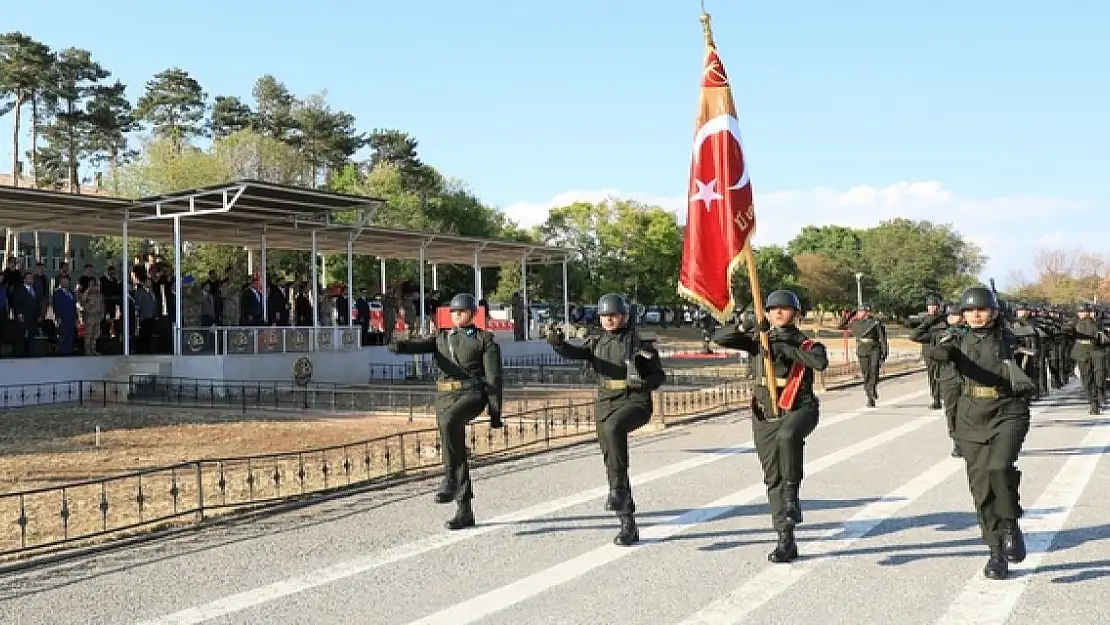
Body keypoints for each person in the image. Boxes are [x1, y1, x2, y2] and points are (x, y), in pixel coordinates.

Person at [711, 289, 828, 563]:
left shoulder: (807, 343)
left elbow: (819, 362)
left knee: (789, 436)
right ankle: (785, 538)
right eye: (772, 309)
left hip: (799, 409)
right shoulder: (759, 340)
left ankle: (792, 498)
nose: (778, 312)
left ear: (796, 314)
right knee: (771, 476)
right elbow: (720, 338)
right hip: (765, 415)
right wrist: (747, 326)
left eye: (784, 309)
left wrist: (785, 347)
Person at [925, 286, 1033, 580]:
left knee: (999, 467)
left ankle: (1010, 522)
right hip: (971, 415)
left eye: (982, 309)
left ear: (994, 312)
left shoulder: (1013, 338)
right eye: (969, 310)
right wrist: (941, 350)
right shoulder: (956, 339)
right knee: (982, 489)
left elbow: (1030, 364)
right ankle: (996, 553)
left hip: (1008, 411)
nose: (975, 315)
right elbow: (938, 351)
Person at [546, 292, 666, 546]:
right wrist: (556, 342)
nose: (609, 320)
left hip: (634, 401)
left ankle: (619, 493)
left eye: (613, 315)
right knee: (611, 458)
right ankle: (627, 521)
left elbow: (659, 377)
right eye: (604, 316)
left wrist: (643, 382)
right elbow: (573, 354)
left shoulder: (638, 343)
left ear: (623, 316)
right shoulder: (596, 341)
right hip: (605, 401)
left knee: (613, 429)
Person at [387, 293, 503, 530]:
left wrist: (495, 412)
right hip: (445, 397)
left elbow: (494, 378)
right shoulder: (441, 338)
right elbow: (415, 346)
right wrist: (397, 345)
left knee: (450, 422)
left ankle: (450, 479)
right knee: (456, 448)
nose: (456, 315)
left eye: (460, 311)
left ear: (472, 313)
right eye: (453, 312)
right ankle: (464, 511)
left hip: (471, 394)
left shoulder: (484, 340)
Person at [838, 304, 888, 407]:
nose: (859, 313)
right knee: (866, 374)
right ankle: (870, 397)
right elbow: (841, 326)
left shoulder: (875, 323)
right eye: (858, 312)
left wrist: (884, 352)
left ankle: (873, 387)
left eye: (861, 311)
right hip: (862, 350)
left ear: (867, 312)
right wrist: (850, 314)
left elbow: (882, 338)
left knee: (874, 370)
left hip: (874, 349)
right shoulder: (855, 323)